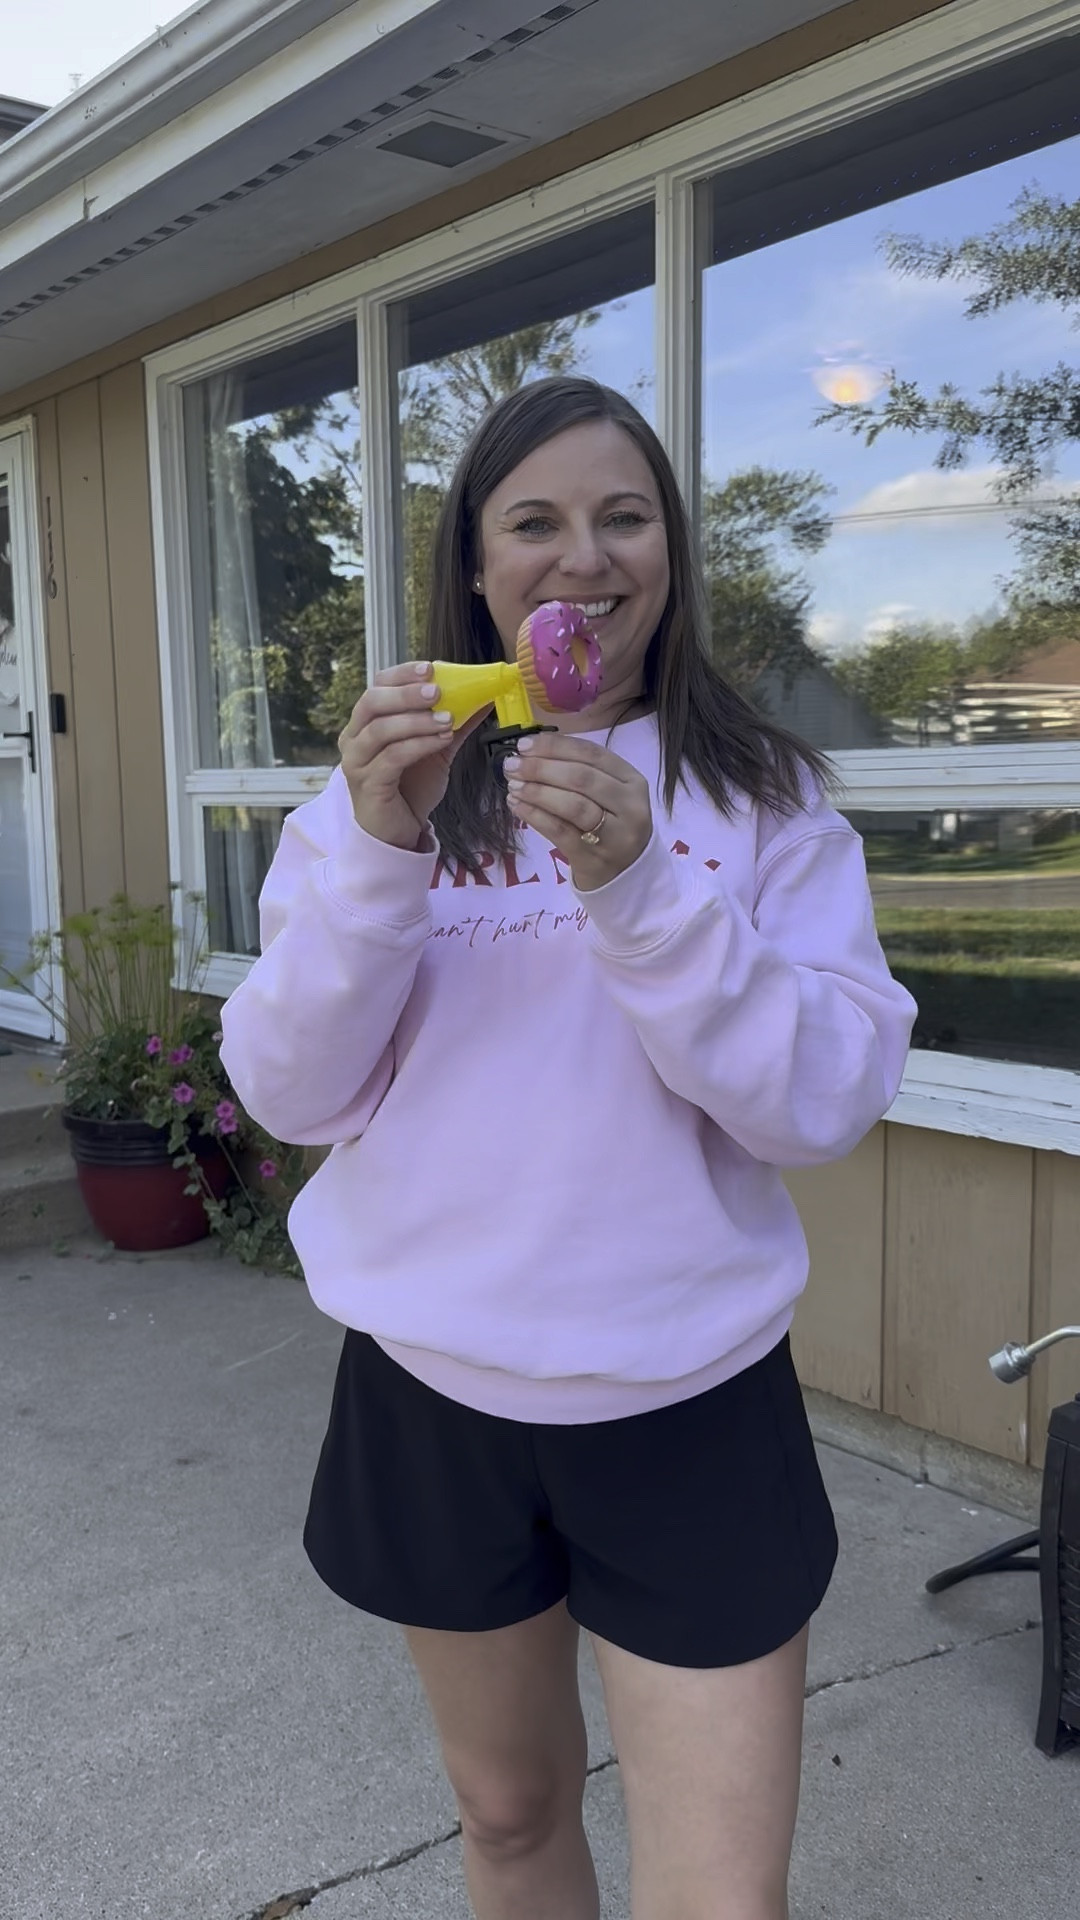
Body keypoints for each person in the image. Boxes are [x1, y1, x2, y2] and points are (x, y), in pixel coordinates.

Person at [220, 375, 916, 1920]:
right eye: (534, 521)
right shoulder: (379, 802)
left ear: (671, 555)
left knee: (720, 1900)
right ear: (475, 566)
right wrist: (380, 856)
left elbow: (820, 1105)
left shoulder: (763, 800)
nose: (581, 558)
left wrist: (645, 894)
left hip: (691, 1401)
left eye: (625, 517)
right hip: (434, 1392)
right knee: (511, 1817)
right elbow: (291, 1091)